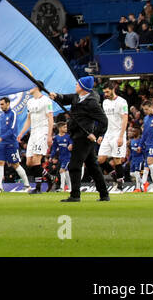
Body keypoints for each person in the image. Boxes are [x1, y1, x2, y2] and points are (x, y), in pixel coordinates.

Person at [38, 74, 110, 203]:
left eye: (78, 84)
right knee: (93, 166)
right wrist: (57, 96)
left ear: (83, 87)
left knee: (74, 165)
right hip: (77, 135)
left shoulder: (92, 103)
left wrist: (97, 134)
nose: (75, 85)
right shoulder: (78, 97)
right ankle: (104, 194)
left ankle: (75, 195)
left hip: (83, 136)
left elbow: (104, 120)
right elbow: (66, 98)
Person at [96, 83, 129, 193]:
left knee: (117, 159)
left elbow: (125, 119)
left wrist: (121, 136)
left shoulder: (122, 102)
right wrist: (101, 134)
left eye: (107, 92)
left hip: (118, 134)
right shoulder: (105, 103)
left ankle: (120, 187)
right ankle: (116, 177)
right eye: (104, 92)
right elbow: (105, 120)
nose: (105, 94)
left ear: (112, 90)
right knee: (100, 159)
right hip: (108, 134)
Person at [20, 85, 53, 194]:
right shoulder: (29, 102)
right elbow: (28, 120)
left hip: (42, 131)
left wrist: (49, 135)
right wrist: (21, 133)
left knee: (36, 160)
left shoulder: (46, 100)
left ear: (37, 87)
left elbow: (50, 118)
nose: (29, 88)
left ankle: (38, 188)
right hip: (33, 132)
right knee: (29, 162)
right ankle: (49, 177)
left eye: (31, 86)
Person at [0, 97, 31, 191]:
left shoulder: (13, 113)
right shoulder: (2, 115)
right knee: (0, 162)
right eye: (0, 104)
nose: (0, 106)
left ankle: (27, 185)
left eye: (2, 104)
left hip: (11, 143)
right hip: (2, 143)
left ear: (8, 103)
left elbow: (12, 130)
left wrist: (1, 137)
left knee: (15, 164)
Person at [51, 121, 73, 193]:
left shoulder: (68, 136)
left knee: (62, 170)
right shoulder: (56, 138)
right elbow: (54, 148)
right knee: (66, 172)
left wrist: (71, 145)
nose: (66, 128)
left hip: (68, 157)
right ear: (59, 128)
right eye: (64, 127)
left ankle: (62, 187)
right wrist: (51, 156)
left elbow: (72, 143)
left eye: (66, 127)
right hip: (61, 157)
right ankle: (70, 188)